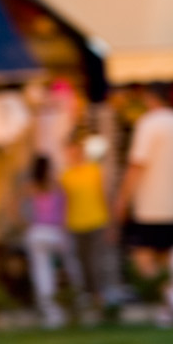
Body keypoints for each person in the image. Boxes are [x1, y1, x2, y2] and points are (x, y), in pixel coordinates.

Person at [114, 85, 173, 325]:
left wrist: (123, 199)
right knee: (168, 260)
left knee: (144, 259)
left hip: (150, 205)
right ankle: (172, 303)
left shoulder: (148, 124)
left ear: (151, 99)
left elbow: (137, 165)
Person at [59, 128, 112, 317]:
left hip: (97, 221)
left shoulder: (95, 171)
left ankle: (100, 298)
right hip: (75, 224)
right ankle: (89, 298)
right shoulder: (65, 176)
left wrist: (111, 223)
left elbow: (104, 196)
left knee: (95, 262)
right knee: (82, 264)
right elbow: (62, 203)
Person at [22, 155, 80, 327]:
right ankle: (74, 303)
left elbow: (12, 204)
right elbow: (66, 208)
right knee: (70, 267)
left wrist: (25, 222)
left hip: (37, 231)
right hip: (54, 232)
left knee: (42, 274)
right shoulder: (57, 185)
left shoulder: (32, 186)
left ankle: (52, 314)